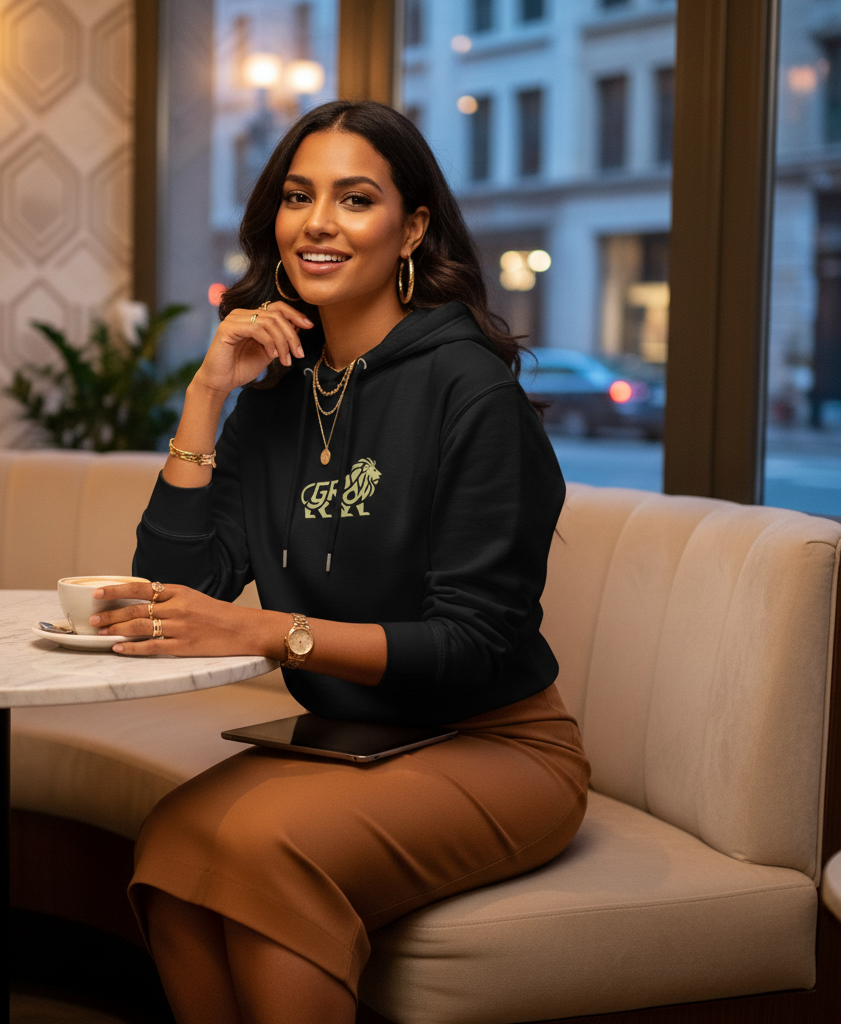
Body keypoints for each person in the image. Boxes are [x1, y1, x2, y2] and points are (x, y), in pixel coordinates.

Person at [87, 100, 590, 1024]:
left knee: (266, 850)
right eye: (297, 196)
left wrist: (272, 632)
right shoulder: (276, 396)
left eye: (355, 199)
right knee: (168, 849)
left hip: (498, 743)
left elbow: (473, 644)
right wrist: (205, 397)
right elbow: (180, 588)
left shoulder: (469, 389)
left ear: (413, 226)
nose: (317, 222)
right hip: (354, 744)